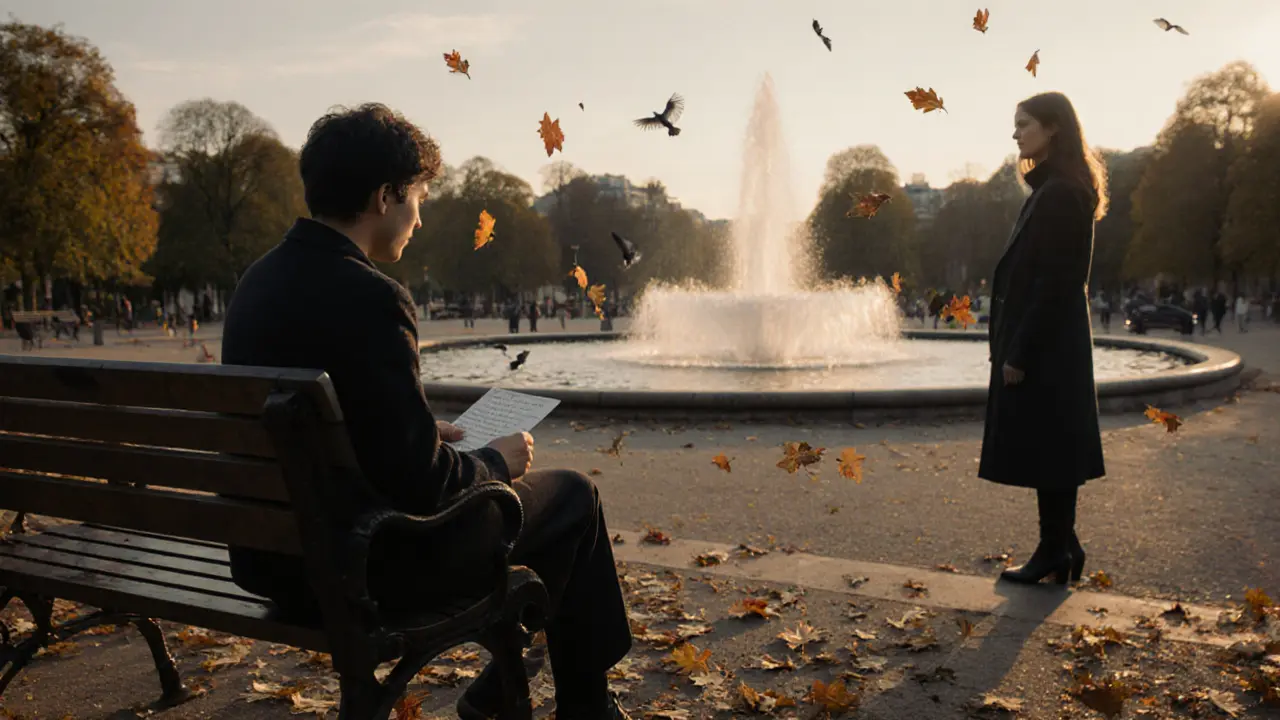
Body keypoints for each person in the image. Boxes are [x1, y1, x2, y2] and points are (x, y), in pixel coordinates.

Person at [220, 104, 632, 719]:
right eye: (419, 195)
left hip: (272, 560)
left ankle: (502, 692)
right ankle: (582, 707)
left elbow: (319, 431)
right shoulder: (373, 297)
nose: (421, 213)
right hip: (365, 568)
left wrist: (416, 433)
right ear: (385, 196)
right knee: (573, 498)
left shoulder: (258, 281)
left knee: (547, 518)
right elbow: (426, 487)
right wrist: (496, 459)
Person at [980, 92, 1107, 586]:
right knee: (1055, 443)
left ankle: (1056, 546)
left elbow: (1052, 280)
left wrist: (1019, 350)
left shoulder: (1057, 194)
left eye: (1023, 124)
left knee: (1050, 444)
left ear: (1053, 128)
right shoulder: (1062, 187)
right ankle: (1061, 543)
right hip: (1058, 337)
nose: (1016, 134)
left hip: (1048, 340)